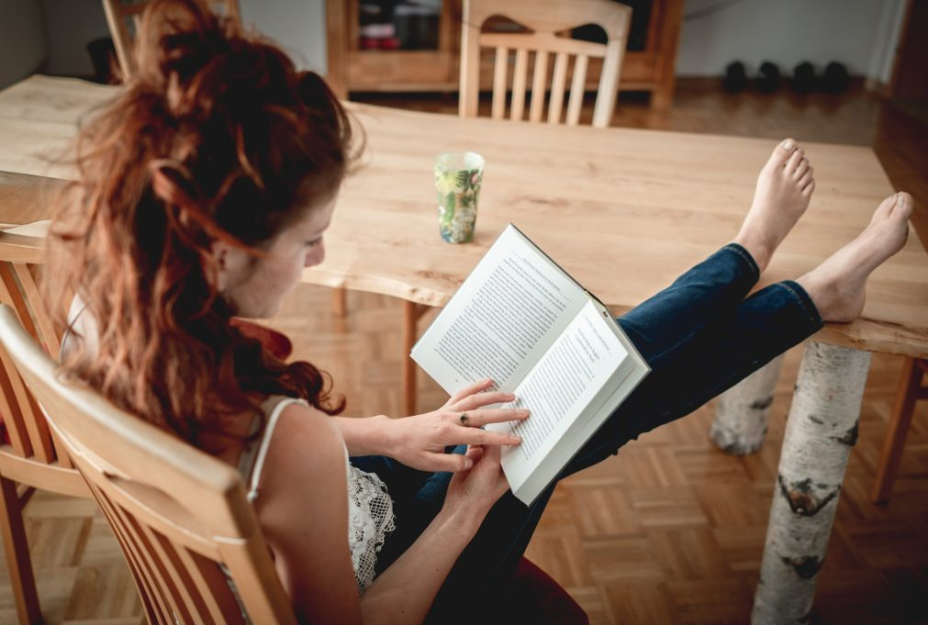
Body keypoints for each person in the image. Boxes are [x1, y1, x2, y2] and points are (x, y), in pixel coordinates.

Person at [45, 1, 914, 623]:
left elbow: (272, 460)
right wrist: (468, 507)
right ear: (220, 243)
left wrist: (391, 430)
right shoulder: (292, 442)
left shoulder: (102, 309)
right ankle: (765, 270)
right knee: (575, 399)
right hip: (395, 579)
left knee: (579, 398)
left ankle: (780, 281)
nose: (318, 259)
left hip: (330, 517)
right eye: (309, 238)